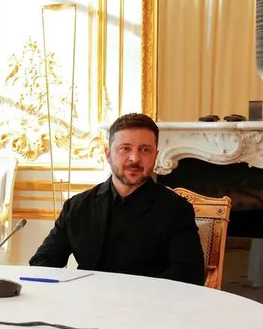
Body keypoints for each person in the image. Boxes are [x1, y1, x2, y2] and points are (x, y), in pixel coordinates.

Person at [28, 112, 206, 285]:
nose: (135, 158)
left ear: (155, 155)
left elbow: (189, 275)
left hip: (148, 303)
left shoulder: (177, 209)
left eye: (145, 150)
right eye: (125, 148)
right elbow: (42, 261)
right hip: (86, 300)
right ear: (108, 154)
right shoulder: (77, 206)